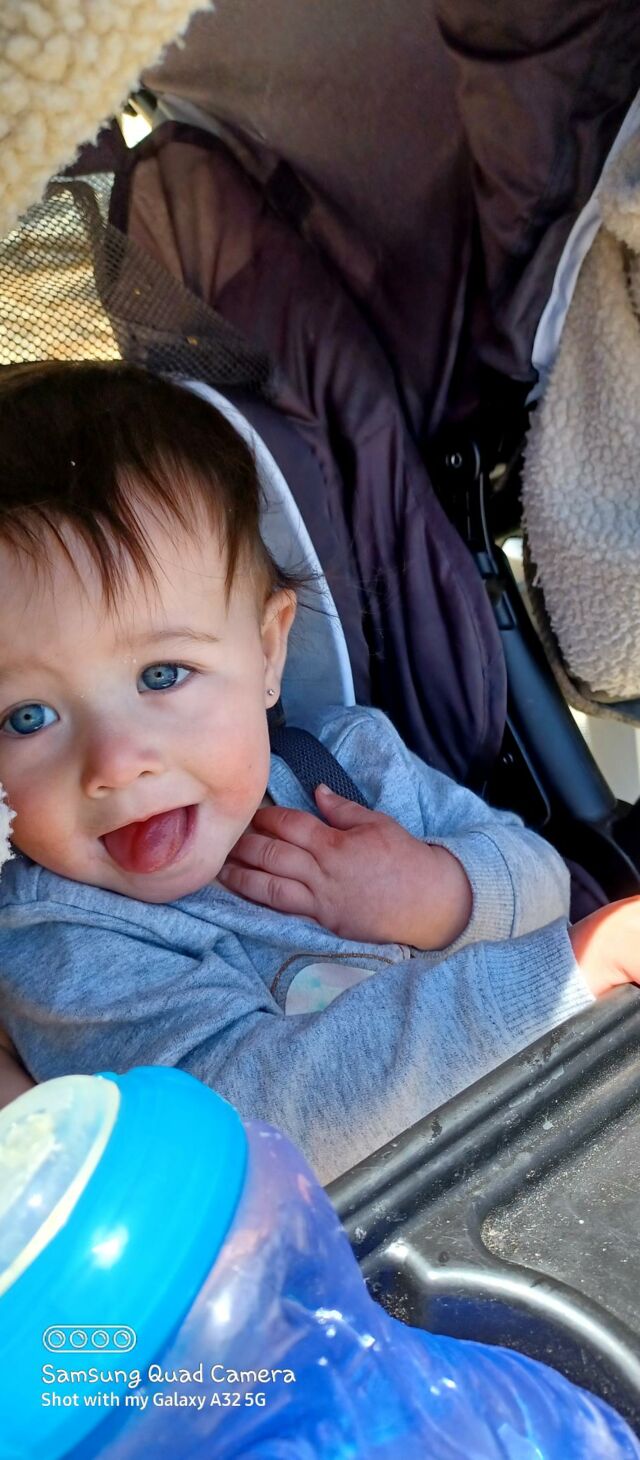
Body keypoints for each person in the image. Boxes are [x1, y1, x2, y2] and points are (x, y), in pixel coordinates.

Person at [0, 362, 637, 1184]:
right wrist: (563, 977)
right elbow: (243, 1127)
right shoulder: (60, 933)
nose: (117, 765)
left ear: (267, 651)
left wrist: (438, 892)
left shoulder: (350, 763)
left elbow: (542, 882)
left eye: (163, 675)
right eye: (26, 718)